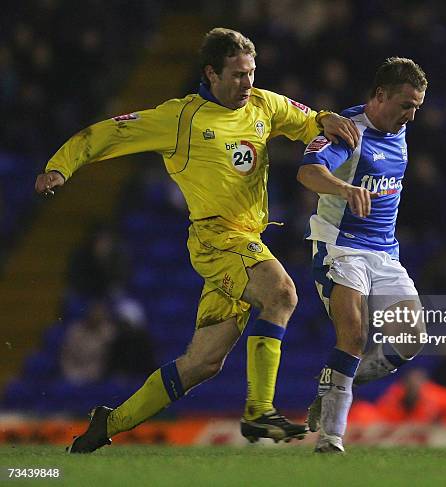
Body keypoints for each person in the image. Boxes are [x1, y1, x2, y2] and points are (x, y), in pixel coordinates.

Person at [34, 27, 360, 453]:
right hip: (216, 239)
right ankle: (260, 410)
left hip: (244, 241)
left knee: (202, 364)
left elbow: (305, 120)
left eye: (252, 72)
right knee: (281, 293)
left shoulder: (263, 104)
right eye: (239, 74)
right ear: (211, 73)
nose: (248, 83)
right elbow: (110, 132)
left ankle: (106, 423)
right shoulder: (179, 118)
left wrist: (325, 117)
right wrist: (61, 167)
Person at [297, 57, 427, 452]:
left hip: (385, 253)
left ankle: (337, 383)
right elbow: (308, 172)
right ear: (379, 95)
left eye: (417, 108)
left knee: (410, 339)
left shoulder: (399, 131)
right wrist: (344, 188)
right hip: (342, 246)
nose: (410, 116)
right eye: (405, 105)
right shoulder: (349, 132)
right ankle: (330, 438)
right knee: (352, 336)